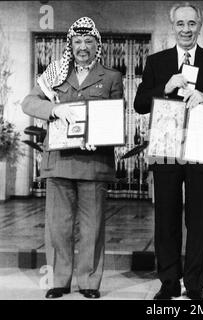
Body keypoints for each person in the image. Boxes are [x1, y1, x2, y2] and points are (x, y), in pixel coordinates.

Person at [134, 2, 203, 300]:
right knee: (165, 217)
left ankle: (195, 285)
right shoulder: (157, 62)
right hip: (165, 148)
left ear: (200, 25)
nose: (186, 29)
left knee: (198, 218)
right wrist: (165, 88)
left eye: (191, 23)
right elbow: (140, 103)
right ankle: (169, 281)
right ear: (173, 26)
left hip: (200, 146)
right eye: (180, 23)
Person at [22, 17, 123, 299]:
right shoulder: (56, 72)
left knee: (92, 227)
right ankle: (60, 281)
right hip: (59, 161)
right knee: (58, 226)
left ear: (97, 45)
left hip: (94, 162)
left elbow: (114, 118)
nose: (82, 47)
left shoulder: (111, 77)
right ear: (70, 45)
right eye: (77, 42)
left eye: (88, 42)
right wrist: (53, 109)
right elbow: (28, 103)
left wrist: (101, 137)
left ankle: (89, 283)